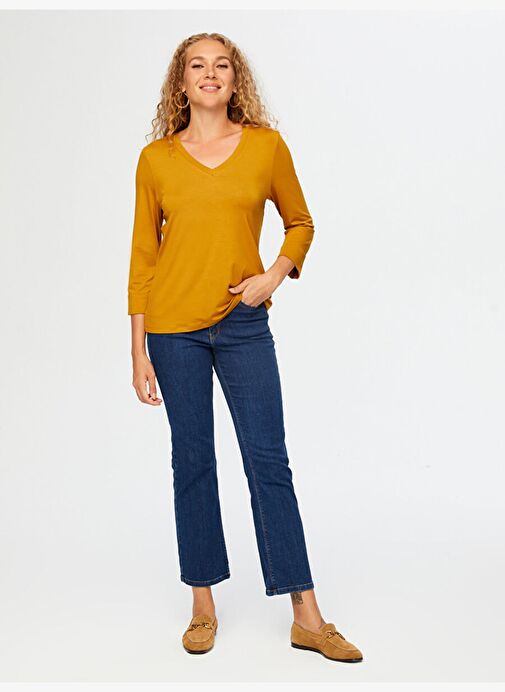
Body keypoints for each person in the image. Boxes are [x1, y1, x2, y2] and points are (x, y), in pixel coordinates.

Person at [127, 32, 363, 663]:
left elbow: (301, 222)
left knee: (268, 460)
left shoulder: (265, 146)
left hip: (242, 321)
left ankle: (306, 615)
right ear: (181, 83)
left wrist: (273, 276)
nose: (210, 74)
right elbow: (143, 256)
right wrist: (138, 348)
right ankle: (202, 605)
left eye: (221, 65)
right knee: (193, 462)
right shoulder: (155, 160)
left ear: (235, 80)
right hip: (172, 330)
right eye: (197, 65)